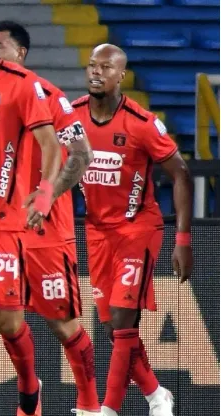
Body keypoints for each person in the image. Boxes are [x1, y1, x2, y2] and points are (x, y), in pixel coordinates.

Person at [0, 20, 101, 416]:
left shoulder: (47, 95)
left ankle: (91, 405)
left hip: (43, 229)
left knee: (62, 323)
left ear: (20, 54)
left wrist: (47, 196)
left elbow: (81, 155)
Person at [73, 43, 193, 416]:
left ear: (120, 75)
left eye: (105, 68)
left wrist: (183, 240)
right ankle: (157, 394)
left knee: (124, 320)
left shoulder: (142, 123)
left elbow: (181, 174)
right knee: (114, 330)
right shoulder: (71, 117)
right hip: (96, 232)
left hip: (136, 230)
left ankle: (105, 410)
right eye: (92, 65)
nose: (96, 72)